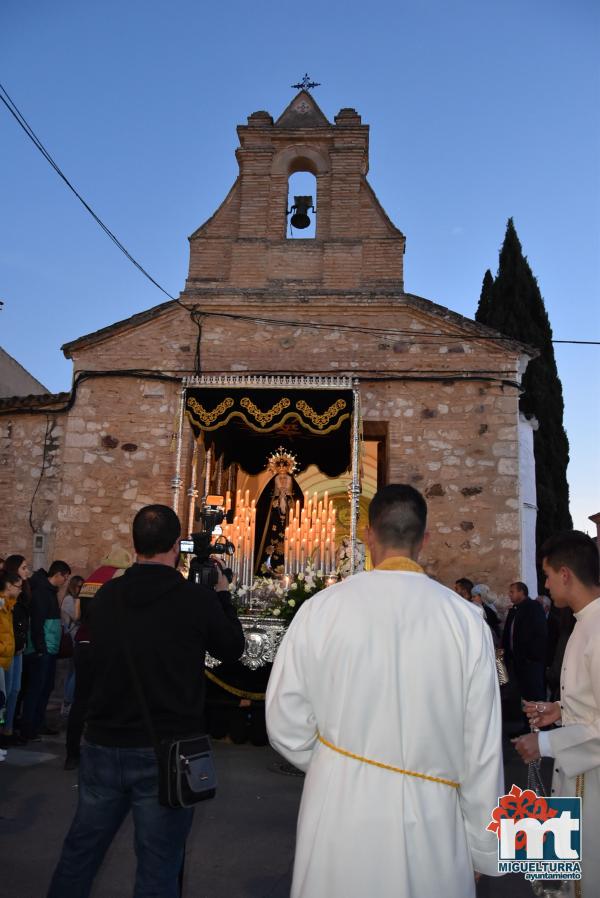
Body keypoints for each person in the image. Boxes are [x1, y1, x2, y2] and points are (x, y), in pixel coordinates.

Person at [266, 484, 503, 898]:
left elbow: (284, 722)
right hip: (432, 820)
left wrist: (336, 765)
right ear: (424, 539)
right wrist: (486, 846)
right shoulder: (466, 622)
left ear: (368, 535)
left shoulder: (321, 610)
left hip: (337, 808)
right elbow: (482, 749)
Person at [47, 504, 245, 898]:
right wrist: (221, 596)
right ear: (177, 546)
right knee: (158, 866)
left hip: (104, 741)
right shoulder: (195, 600)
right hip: (166, 749)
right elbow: (232, 648)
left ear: (134, 545)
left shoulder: (103, 598)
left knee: (81, 852)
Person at [513, 530, 600, 897]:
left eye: (547, 575)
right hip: (577, 775)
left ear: (566, 574)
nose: (545, 585)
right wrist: (557, 709)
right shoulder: (585, 622)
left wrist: (544, 742)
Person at [20, 560, 71, 740]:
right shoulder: (42, 592)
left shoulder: (50, 592)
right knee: (36, 689)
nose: (65, 581)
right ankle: (29, 727)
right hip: (42, 649)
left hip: (49, 647)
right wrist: (41, 648)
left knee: (45, 687)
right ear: (57, 574)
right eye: (65, 577)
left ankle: (38, 723)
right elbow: (38, 622)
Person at [502, 579, 547, 705]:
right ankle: (527, 723)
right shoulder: (514, 610)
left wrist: (530, 656)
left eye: (512, 592)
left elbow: (539, 633)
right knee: (524, 695)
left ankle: (539, 724)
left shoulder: (533, 607)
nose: (509, 594)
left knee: (534, 694)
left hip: (530, 662)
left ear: (522, 592)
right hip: (517, 662)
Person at [1, 556, 31, 742]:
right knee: (6, 693)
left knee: (14, 690)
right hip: (6, 653)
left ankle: (8, 730)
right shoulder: (5, 603)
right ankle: (5, 731)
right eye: (24, 568)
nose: (27, 571)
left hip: (15, 649)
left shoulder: (15, 601)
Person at [60, 575, 84, 717]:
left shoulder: (74, 599)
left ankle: (67, 702)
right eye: (79, 586)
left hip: (76, 639)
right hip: (73, 639)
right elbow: (76, 617)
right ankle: (67, 702)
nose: (81, 589)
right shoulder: (70, 600)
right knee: (74, 673)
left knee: (72, 672)